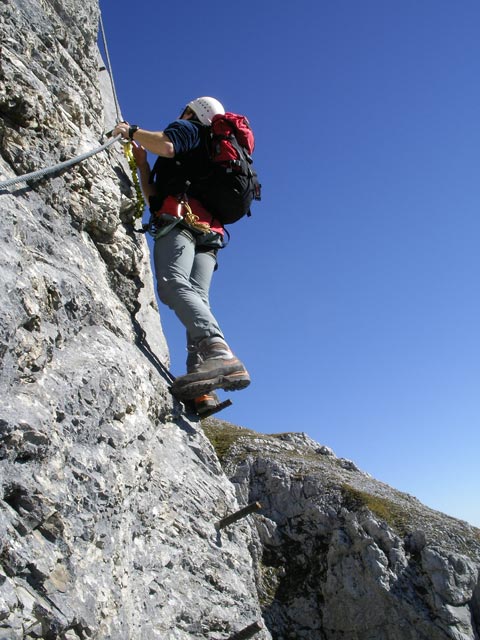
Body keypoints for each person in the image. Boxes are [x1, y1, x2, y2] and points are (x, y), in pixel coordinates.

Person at [113, 97, 250, 411]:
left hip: (181, 221)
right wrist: (143, 165)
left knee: (172, 283)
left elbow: (167, 145)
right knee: (196, 299)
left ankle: (219, 354)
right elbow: (153, 196)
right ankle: (202, 389)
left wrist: (131, 130)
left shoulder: (188, 128)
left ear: (192, 112)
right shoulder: (211, 151)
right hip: (210, 234)